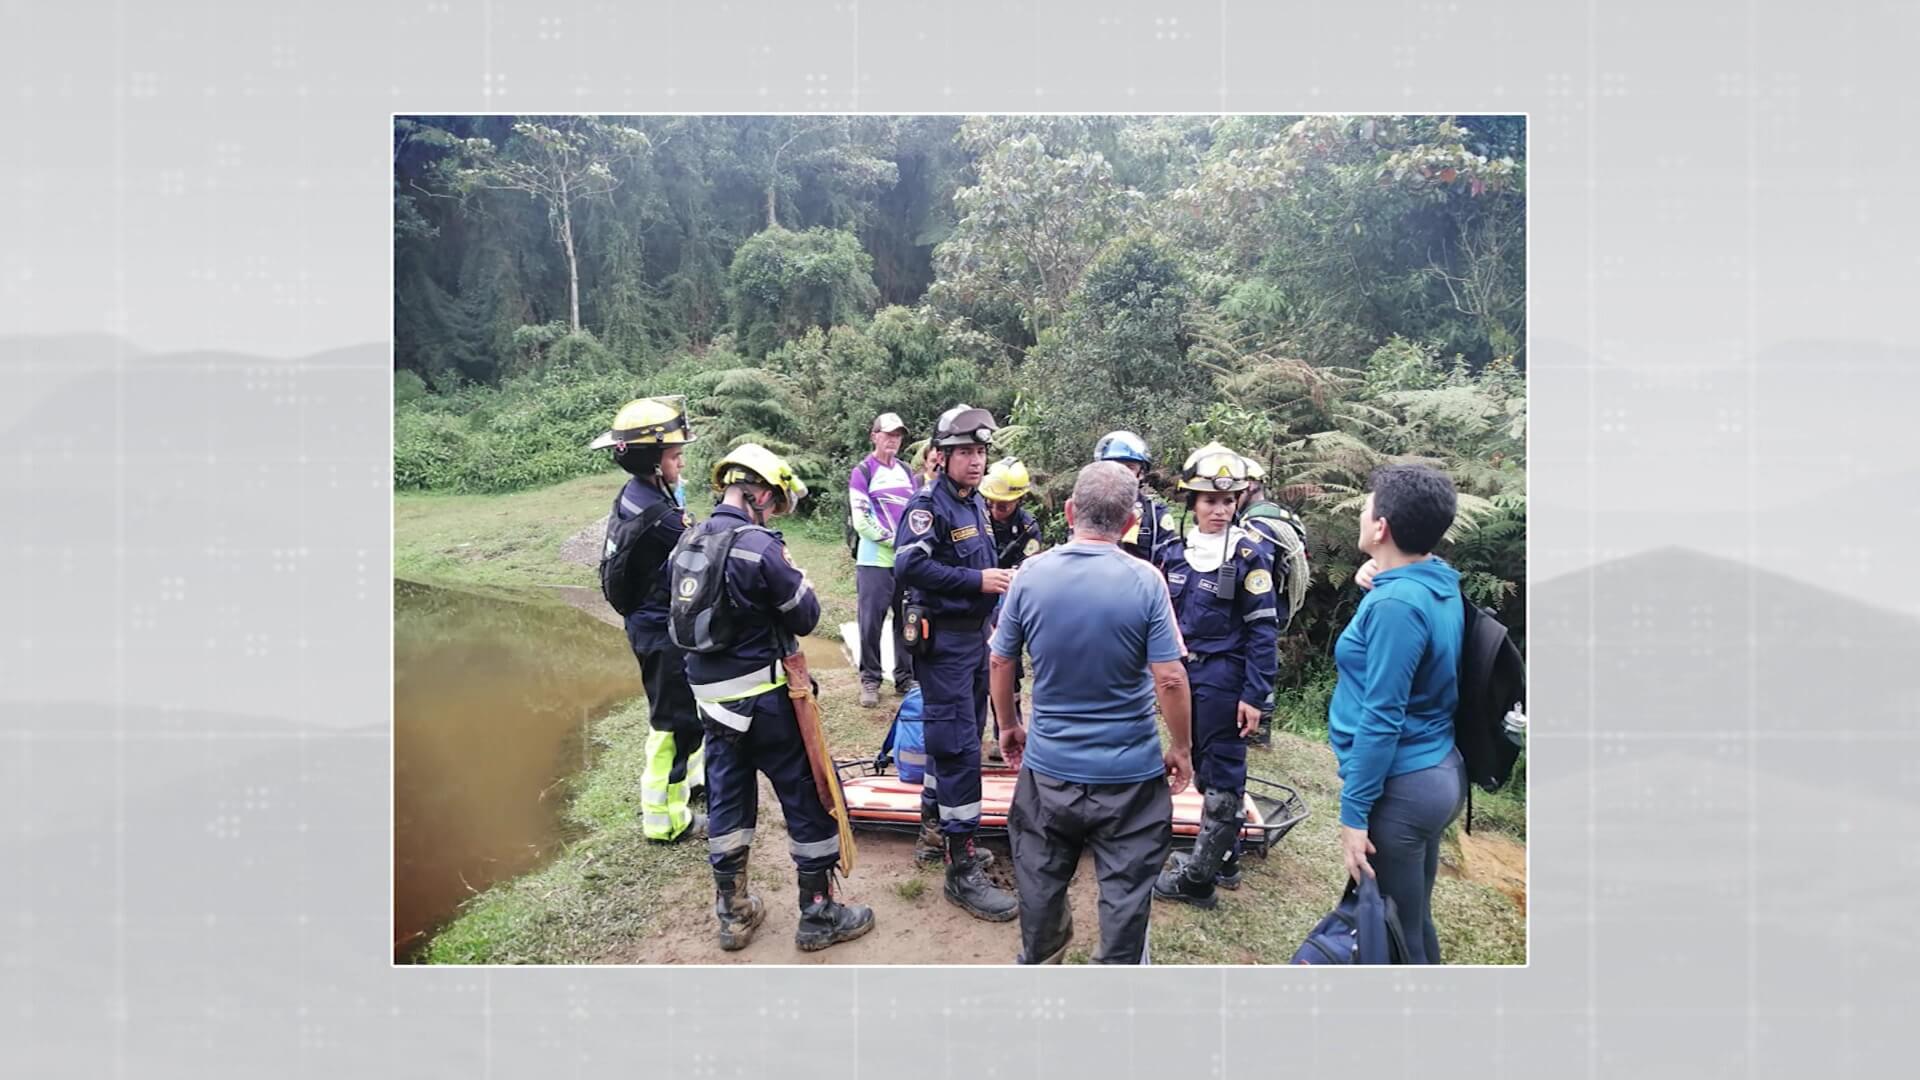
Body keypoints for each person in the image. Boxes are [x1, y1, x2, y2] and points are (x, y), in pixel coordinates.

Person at [673, 444, 874, 952]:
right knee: (807, 800)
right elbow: (804, 616)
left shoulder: (686, 541)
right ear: (760, 492)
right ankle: (818, 915)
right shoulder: (760, 548)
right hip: (768, 704)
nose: (775, 510)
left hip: (713, 708)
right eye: (776, 501)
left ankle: (733, 915)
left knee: (728, 802)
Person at [992, 461, 1194, 964]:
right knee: (1126, 894)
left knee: (1040, 880)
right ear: (1130, 523)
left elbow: (1000, 658)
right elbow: (1169, 678)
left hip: (1049, 772)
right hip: (1131, 777)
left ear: (1068, 512)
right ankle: (1116, 981)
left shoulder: (1031, 576)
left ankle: (1042, 964)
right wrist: (1183, 748)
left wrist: (1009, 725)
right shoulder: (1147, 581)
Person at [1327, 463, 1466, 965]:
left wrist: (1354, 813)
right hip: (1435, 770)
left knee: (1393, 932)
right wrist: (1381, 578)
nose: (1362, 513)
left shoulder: (1399, 605)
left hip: (1402, 789)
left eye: (1367, 507)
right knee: (1410, 919)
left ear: (1381, 526)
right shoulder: (1434, 582)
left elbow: (1382, 717)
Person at [893, 404, 1019, 921]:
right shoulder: (930, 505)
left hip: (973, 641)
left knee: (960, 736)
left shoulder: (973, 504)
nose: (975, 460)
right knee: (961, 748)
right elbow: (909, 565)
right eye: (965, 451)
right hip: (942, 643)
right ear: (942, 457)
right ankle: (961, 868)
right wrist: (977, 583)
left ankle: (932, 832)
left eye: (981, 451)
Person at [1151, 443, 1280, 908]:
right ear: (1193, 503)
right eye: (1210, 501)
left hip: (1226, 679)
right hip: (1182, 680)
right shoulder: (1174, 552)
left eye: (1228, 501)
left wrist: (1255, 695)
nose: (1220, 510)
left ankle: (1199, 881)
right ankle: (1223, 857)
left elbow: (1263, 630)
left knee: (1224, 775)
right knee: (1202, 768)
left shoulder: (1250, 555)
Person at [588, 397, 705, 844]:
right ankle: (666, 821)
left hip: (653, 621)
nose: (681, 462)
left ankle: (692, 784)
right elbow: (701, 551)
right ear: (651, 461)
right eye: (675, 456)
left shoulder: (640, 493)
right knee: (672, 721)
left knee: (684, 712)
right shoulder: (658, 515)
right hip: (658, 629)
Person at [1234, 455, 1310, 747]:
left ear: (1251, 485)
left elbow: (1256, 568)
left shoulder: (1259, 526)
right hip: (1280, 602)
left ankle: (1258, 728)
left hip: (1264, 602)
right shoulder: (1279, 515)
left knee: (1256, 655)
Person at [849, 412, 918, 708]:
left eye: (898, 435)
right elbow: (861, 521)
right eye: (887, 434)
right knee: (870, 622)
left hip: (905, 561)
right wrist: (897, 541)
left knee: (906, 621)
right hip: (874, 560)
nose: (893, 440)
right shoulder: (862, 471)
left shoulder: (906, 471)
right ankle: (870, 679)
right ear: (874, 435)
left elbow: (917, 512)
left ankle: (905, 677)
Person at [980, 457, 1043, 761]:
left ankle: (1005, 732)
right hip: (976, 595)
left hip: (1012, 603)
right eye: (991, 503)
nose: (995, 510)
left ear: (1018, 498)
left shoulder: (1028, 526)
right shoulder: (975, 516)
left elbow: (1029, 568)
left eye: (1002, 505)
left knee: (1008, 666)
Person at [1092, 430, 1177, 567]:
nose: (1120, 473)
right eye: (1114, 466)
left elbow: (1167, 562)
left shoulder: (1156, 516)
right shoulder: (1088, 510)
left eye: (1129, 467)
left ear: (1141, 473)